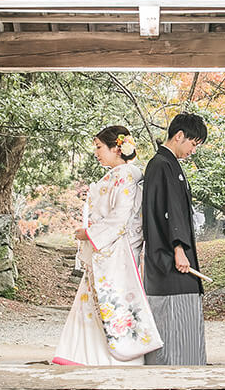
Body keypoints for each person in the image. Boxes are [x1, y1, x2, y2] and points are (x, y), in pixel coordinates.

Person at [52, 125, 162, 365]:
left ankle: (107, 358)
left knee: (112, 300)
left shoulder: (125, 175)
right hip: (108, 247)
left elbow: (120, 217)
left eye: (100, 147)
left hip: (115, 249)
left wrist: (89, 234)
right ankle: (82, 355)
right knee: (98, 299)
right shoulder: (119, 175)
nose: (96, 152)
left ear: (117, 148)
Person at [141, 113, 209, 366]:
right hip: (168, 253)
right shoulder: (161, 164)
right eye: (193, 143)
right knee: (172, 310)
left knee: (181, 308)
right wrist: (178, 248)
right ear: (179, 135)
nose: (193, 150)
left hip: (170, 251)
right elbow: (168, 211)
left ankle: (186, 365)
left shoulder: (167, 164)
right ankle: (173, 369)